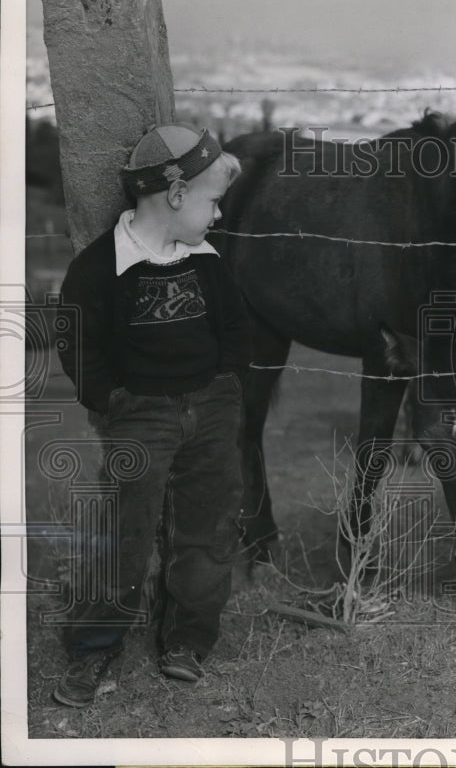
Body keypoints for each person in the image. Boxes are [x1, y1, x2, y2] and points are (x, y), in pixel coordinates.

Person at [52, 122, 252, 707]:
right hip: (138, 414)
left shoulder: (209, 262)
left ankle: (187, 639)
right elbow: (78, 344)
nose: (217, 217)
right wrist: (111, 401)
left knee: (207, 528)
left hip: (211, 410)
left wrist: (228, 385)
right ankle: (94, 647)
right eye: (214, 202)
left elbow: (236, 329)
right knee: (122, 531)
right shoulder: (98, 270)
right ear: (175, 195)